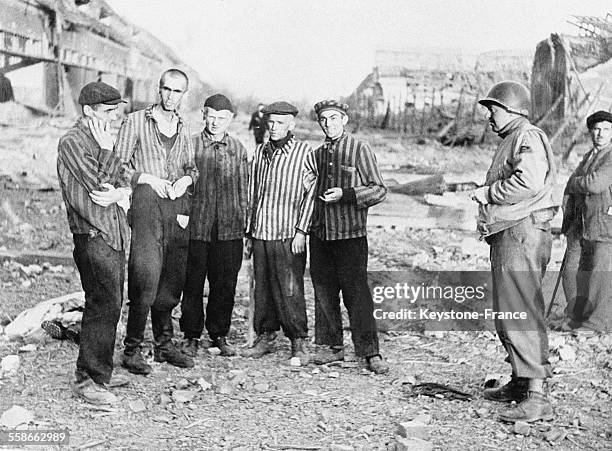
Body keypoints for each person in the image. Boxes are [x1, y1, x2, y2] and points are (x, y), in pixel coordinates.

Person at [473, 81, 560, 422]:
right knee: (510, 311)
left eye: (493, 109)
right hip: (512, 233)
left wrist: (489, 193)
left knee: (520, 309)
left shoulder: (527, 136)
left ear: (511, 109)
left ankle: (536, 396)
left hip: (521, 233)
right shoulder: (514, 138)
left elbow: (529, 181)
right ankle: (521, 381)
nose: (488, 116)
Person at [116, 68, 199, 375]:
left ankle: (164, 346)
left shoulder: (183, 125)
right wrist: (148, 179)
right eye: (166, 89)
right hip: (146, 205)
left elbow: (192, 167)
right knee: (145, 275)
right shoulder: (136, 121)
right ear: (158, 89)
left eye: (177, 92)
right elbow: (118, 167)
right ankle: (132, 348)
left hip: (176, 207)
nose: (170, 96)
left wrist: (186, 180)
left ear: (183, 95)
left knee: (171, 279)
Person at [57, 81, 129, 404]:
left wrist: (121, 191)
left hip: (113, 233)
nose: (114, 117)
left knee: (111, 303)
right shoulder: (73, 142)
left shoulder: (101, 138)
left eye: (116, 111)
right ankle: (88, 380)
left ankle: (99, 374)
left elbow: (123, 180)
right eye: (108, 111)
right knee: (102, 303)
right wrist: (108, 154)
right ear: (88, 111)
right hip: (92, 235)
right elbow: (100, 190)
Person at [305, 100, 389, 374]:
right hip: (321, 235)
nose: (328, 123)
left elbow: (378, 189)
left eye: (333, 118)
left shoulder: (359, 149)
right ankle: (331, 347)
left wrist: (347, 194)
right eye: (323, 119)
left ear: (345, 119)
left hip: (351, 235)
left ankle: (369, 352)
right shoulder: (316, 154)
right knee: (324, 292)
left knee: (357, 294)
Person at [243, 101, 315, 365]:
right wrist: (249, 232)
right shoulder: (261, 152)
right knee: (262, 287)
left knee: (289, 288)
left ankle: (298, 341)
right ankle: (266, 336)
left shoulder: (304, 153)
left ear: (291, 125)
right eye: (270, 123)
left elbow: (311, 196)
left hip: (288, 234)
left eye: (280, 123)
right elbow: (252, 193)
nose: (274, 128)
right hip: (262, 231)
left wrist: (301, 231)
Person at [180, 94, 248, 357]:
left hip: (229, 229)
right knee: (193, 283)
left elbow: (244, 189)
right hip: (196, 228)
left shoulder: (238, 149)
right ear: (203, 115)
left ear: (230, 119)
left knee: (225, 284)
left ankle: (219, 333)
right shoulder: (191, 145)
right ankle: (191, 335)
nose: (216, 122)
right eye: (212, 116)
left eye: (222, 118)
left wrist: (245, 223)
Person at [561, 110, 612, 333]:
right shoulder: (589, 155)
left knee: (599, 272)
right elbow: (575, 184)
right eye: (597, 129)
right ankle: (576, 316)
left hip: (604, 223)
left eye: (607, 130)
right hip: (582, 222)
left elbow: (595, 184)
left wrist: (575, 183)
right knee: (574, 269)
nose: (601, 134)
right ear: (591, 131)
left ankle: (597, 322)